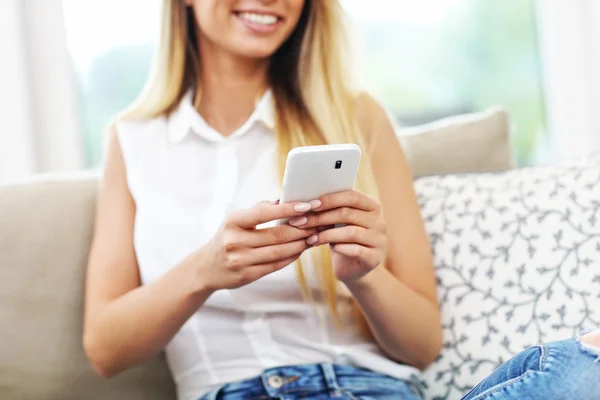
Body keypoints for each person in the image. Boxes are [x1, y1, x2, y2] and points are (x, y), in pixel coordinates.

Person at [83, 1, 600, 399]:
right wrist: (204, 271)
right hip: (229, 389)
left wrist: (364, 276)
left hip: (373, 388)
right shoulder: (133, 140)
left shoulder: (356, 116)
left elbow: (420, 345)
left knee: (584, 369)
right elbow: (104, 348)